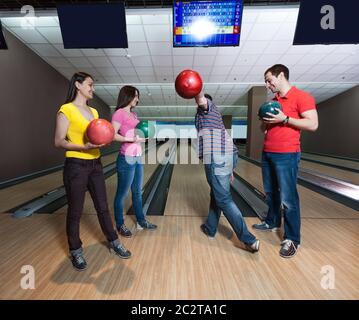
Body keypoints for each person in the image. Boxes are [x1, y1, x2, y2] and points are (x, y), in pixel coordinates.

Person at [54, 72, 131, 271]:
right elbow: (59, 141)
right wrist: (83, 147)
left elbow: (99, 136)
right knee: (76, 211)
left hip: (95, 164)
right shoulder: (66, 109)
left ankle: (114, 241)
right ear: (78, 85)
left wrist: (101, 142)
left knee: (103, 207)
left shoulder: (95, 112)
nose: (93, 89)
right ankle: (76, 251)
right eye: (90, 85)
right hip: (76, 166)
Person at [253, 64, 318, 258]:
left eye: (269, 80)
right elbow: (263, 130)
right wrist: (264, 121)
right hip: (268, 152)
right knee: (271, 192)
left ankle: (292, 239)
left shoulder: (302, 97)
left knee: (288, 199)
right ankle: (272, 221)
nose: (267, 85)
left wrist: (285, 118)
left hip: (287, 154)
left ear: (281, 75)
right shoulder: (274, 101)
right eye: (265, 81)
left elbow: (313, 124)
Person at [194, 92, 260, 253]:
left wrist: (195, 90)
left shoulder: (208, 107)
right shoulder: (210, 116)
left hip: (217, 157)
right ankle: (210, 227)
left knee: (223, 198)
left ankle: (248, 239)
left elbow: (202, 100)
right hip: (226, 156)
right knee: (216, 194)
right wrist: (229, 170)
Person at [112, 85, 157, 237]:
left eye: (138, 96)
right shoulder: (119, 113)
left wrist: (142, 138)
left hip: (137, 157)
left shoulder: (134, 115)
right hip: (126, 158)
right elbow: (113, 135)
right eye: (135, 96)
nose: (137, 99)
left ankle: (141, 220)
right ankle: (120, 224)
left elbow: (136, 134)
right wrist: (131, 138)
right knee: (122, 194)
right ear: (128, 96)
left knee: (137, 192)